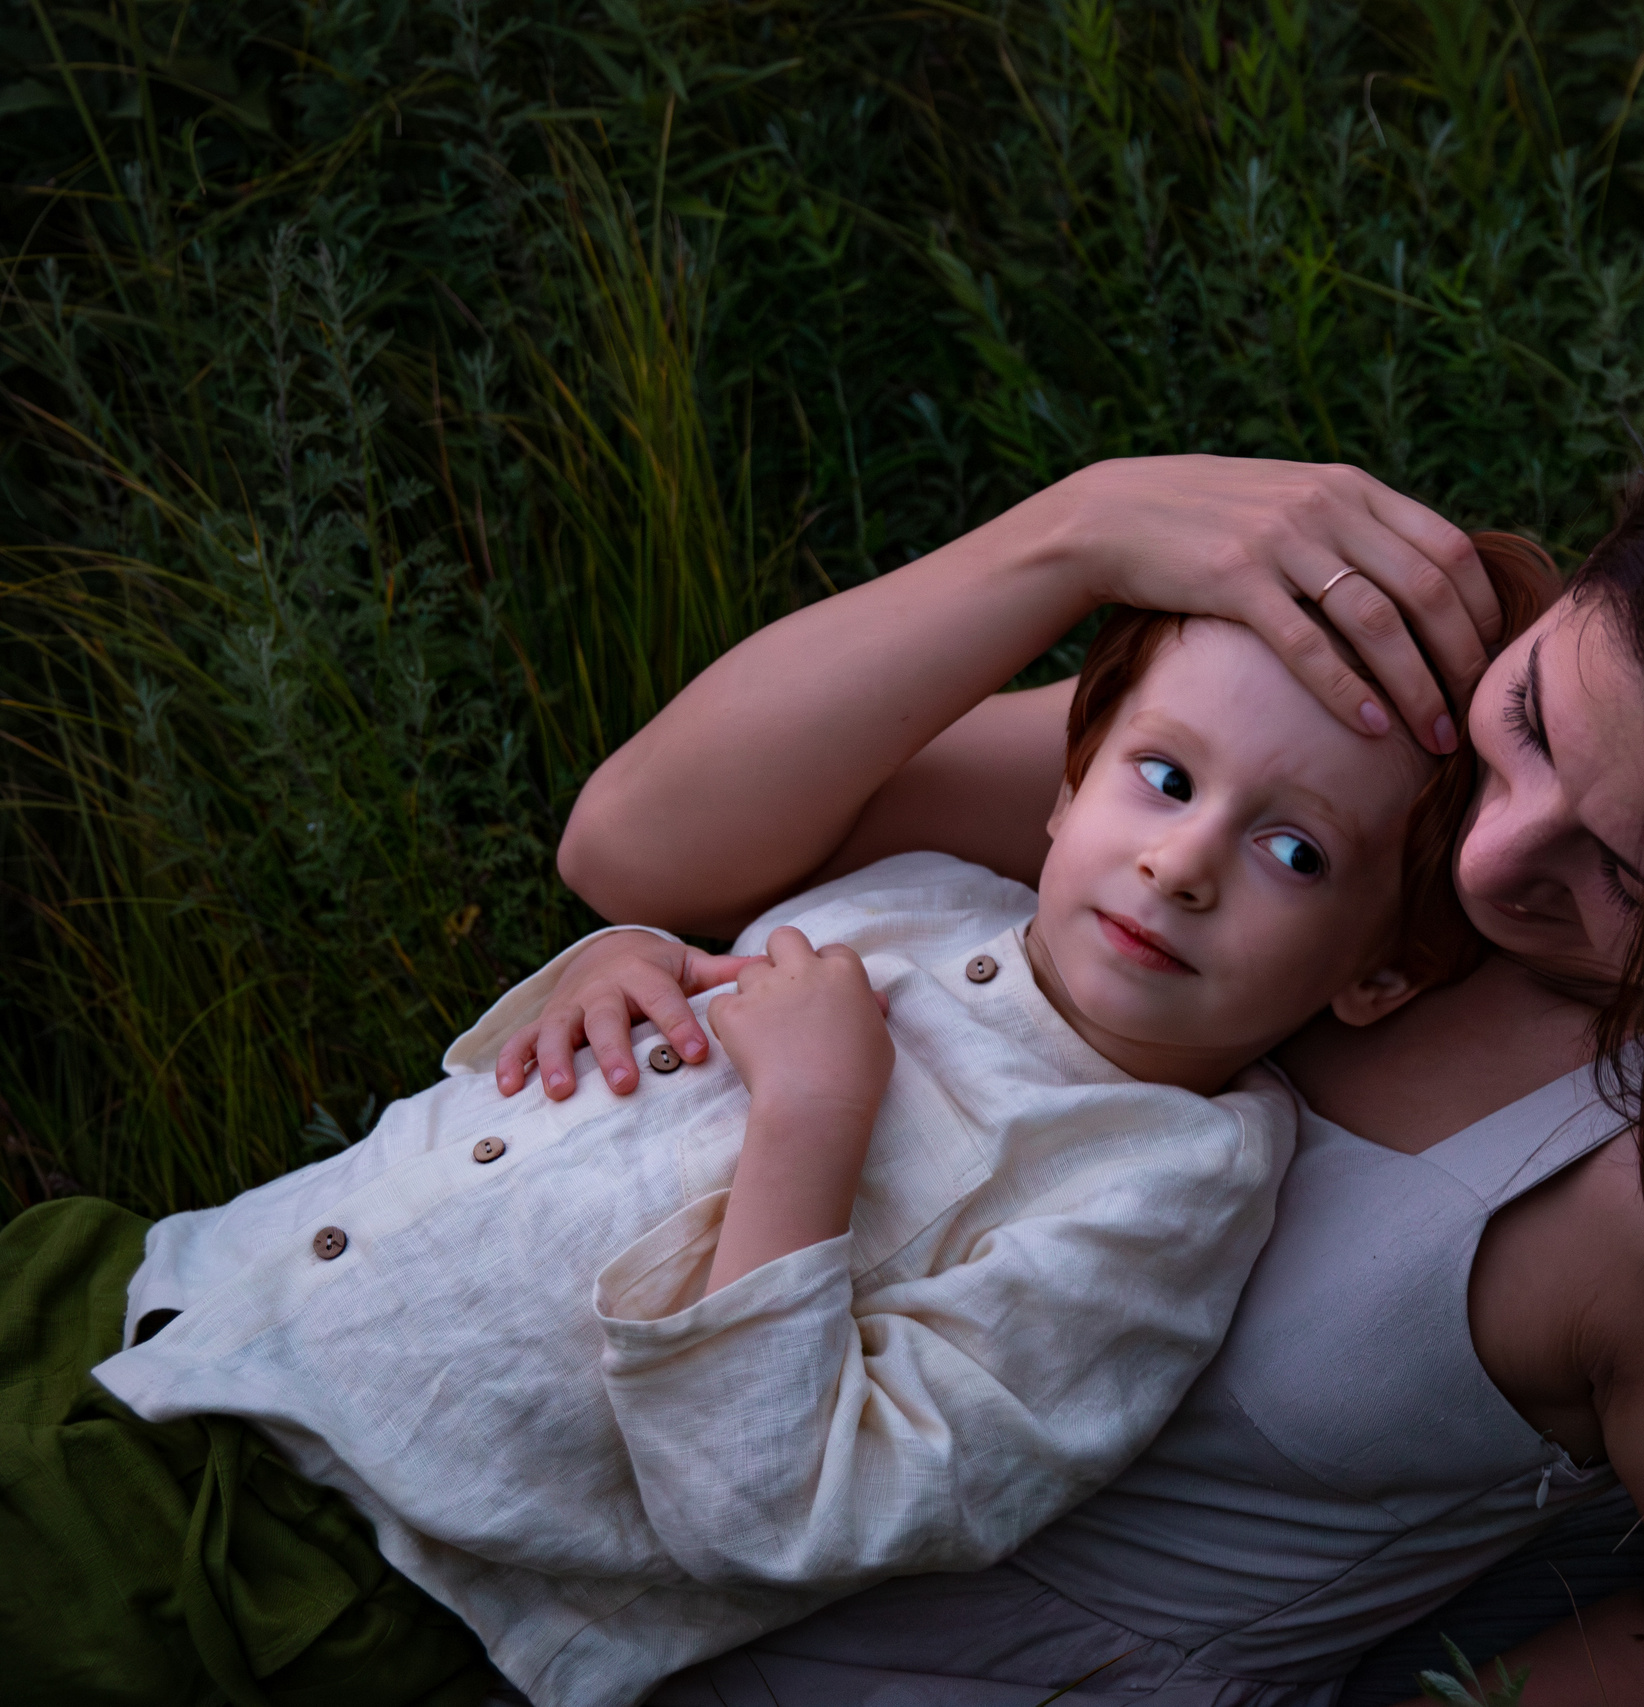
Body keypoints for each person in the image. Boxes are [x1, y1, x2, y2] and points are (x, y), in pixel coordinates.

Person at [520, 403, 1644, 1705]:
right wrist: (1075, 532)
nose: (1491, 867)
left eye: (1627, 874)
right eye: (1533, 726)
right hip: (582, 1502)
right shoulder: (1355, 749)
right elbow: (638, 848)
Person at [0, 548, 1555, 1707]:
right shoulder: (930, 898)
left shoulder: (1157, 1195)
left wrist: (813, 1118)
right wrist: (618, 965)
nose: (1184, 862)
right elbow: (639, 1042)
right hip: (165, 1296)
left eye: (1295, 852)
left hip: (330, 1575)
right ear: (1066, 787)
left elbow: (787, 1510)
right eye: (1162, 777)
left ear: (1381, 974)